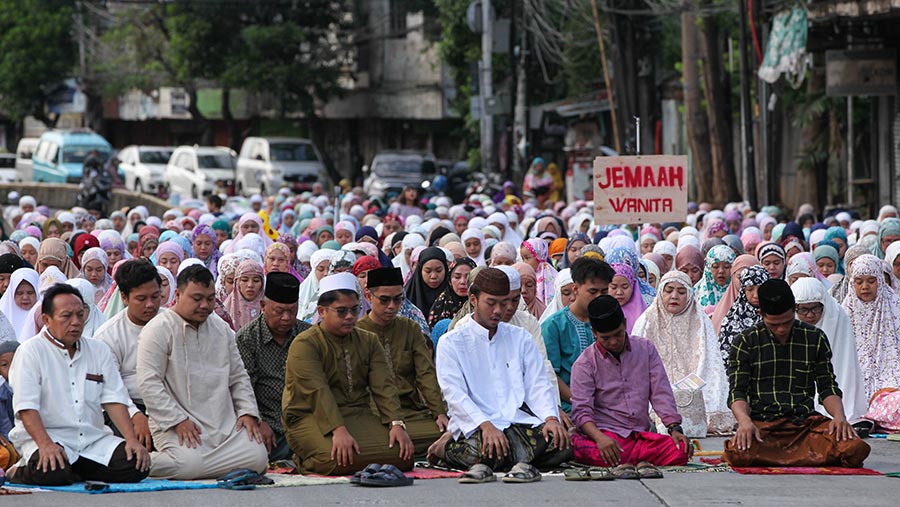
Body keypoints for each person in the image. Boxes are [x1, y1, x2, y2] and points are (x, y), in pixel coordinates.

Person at [7, 284, 150, 485]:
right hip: (50, 438)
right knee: (53, 470)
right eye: (66, 316)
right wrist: (46, 444)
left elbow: (114, 399)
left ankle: (74, 471)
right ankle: (20, 471)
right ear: (47, 320)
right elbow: (26, 407)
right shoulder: (31, 352)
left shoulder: (98, 350)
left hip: (94, 441)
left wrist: (131, 440)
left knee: (137, 463)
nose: (75, 322)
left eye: (80, 315)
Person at [433, 268, 569, 477]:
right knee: (481, 449)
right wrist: (485, 425)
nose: (499, 310)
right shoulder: (451, 342)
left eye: (504, 303)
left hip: (517, 422)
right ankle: (450, 448)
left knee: (562, 443)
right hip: (476, 426)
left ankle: (506, 456)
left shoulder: (520, 337)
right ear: (473, 299)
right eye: (491, 303)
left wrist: (550, 418)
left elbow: (538, 383)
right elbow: (455, 394)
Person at [137, 265, 267, 480]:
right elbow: (149, 383)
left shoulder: (221, 328)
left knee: (258, 458)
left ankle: (205, 465)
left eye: (210, 298)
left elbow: (238, 376)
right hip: (178, 425)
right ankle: (136, 463)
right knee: (189, 465)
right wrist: (178, 420)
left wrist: (247, 412)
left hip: (224, 425)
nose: (205, 305)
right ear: (177, 295)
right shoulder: (158, 329)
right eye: (197, 298)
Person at [723, 279, 871, 467]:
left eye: (787, 321)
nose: (782, 329)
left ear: (794, 310)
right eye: (774, 325)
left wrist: (840, 417)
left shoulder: (814, 338)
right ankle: (806, 457)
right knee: (737, 454)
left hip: (805, 425)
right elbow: (737, 391)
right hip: (764, 426)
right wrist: (744, 421)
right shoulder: (745, 341)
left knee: (855, 449)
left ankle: (785, 456)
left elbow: (827, 387)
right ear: (761, 314)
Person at [282, 272, 415, 475]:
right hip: (308, 415)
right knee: (336, 460)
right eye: (342, 311)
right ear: (322, 311)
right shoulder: (305, 344)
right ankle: (303, 460)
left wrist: (396, 423)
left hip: (357, 412)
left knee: (402, 456)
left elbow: (384, 386)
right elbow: (317, 392)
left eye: (354, 310)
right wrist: (338, 429)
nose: (350, 316)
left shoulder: (368, 340)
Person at [570, 295, 691, 474]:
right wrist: (600, 439)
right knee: (594, 451)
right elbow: (581, 412)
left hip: (639, 436)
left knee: (681, 450)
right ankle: (636, 460)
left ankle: (630, 459)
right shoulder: (584, 364)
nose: (613, 342)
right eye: (605, 338)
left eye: (618, 334)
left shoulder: (645, 349)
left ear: (625, 324)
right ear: (594, 333)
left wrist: (674, 428)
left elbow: (660, 392)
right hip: (606, 435)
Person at [357, 267, 448, 456]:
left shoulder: (410, 329)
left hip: (411, 412)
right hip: (372, 413)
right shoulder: (356, 333)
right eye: (384, 299)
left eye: (397, 299)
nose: (392, 306)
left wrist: (439, 412)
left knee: (449, 433)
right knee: (369, 439)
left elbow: (426, 374)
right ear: (368, 296)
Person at [632, 271, 733, 433]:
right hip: (654, 388)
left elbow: (710, 362)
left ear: (689, 294)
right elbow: (636, 364)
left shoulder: (701, 320)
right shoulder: (646, 321)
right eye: (669, 290)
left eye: (681, 292)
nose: (674, 296)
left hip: (694, 388)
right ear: (660, 292)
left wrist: (688, 389)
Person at [236, 272, 311, 461]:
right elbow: (244, 388)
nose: (286, 318)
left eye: (292, 311)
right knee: (252, 453)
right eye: (279, 311)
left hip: (304, 419)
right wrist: (258, 419)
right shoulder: (247, 338)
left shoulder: (307, 335)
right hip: (267, 422)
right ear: (263, 306)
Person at [94, 260, 162, 450]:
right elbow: (111, 388)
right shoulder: (108, 335)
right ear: (124, 297)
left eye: (155, 296)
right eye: (141, 299)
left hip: (168, 406)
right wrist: (135, 415)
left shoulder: (171, 323)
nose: (150, 305)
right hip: (125, 407)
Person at [542, 257, 615, 411]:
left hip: (611, 403)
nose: (599, 297)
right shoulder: (554, 325)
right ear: (575, 289)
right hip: (572, 406)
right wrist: (582, 402)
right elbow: (550, 376)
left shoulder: (611, 318)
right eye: (593, 291)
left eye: (604, 291)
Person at [790, 278, 868, 423]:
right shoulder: (786, 325)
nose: (810, 315)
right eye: (803, 310)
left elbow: (843, 366)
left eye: (815, 308)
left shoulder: (837, 316)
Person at [839, 254, 900, 399]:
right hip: (852, 377)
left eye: (871, 281)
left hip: (890, 376)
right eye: (859, 282)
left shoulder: (895, 306)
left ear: (880, 280)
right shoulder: (845, 311)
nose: (865, 287)